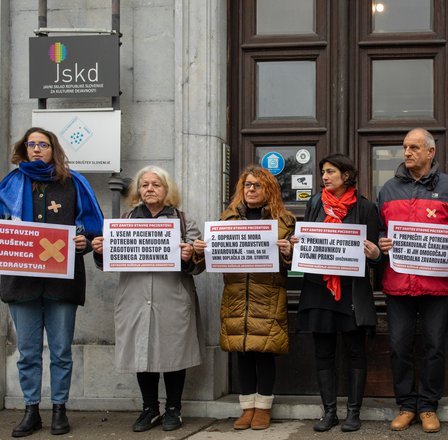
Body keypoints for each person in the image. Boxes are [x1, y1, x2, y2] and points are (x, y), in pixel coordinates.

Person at [0, 127, 104, 437]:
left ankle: (60, 409)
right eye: (31, 144)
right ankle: (31, 410)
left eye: (42, 145)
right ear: (24, 149)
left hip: (63, 282)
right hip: (21, 282)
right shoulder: (9, 186)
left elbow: (93, 229)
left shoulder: (75, 184)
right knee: (28, 352)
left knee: (61, 350)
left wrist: (85, 241)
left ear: (53, 149)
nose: (36, 149)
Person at [91, 165, 205, 432]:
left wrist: (189, 257)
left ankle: (173, 409)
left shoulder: (184, 220)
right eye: (145, 185)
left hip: (172, 297)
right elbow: (109, 261)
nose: (150, 189)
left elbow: (199, 266)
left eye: (156, 184)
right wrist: (100, 251)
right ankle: (149, 408)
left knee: (173, 352)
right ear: (138, 190)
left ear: (167, 190)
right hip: (135, 297)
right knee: (142, 351)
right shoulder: (126, 220)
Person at [377, 128, 448, 433]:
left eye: (414, 147)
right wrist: (381, 242)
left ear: (431, 152)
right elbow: (377, 232)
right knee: (399, 345)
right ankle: (405, 405)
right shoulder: (388, 189)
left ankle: (428, 406)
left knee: (434, 346)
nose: (407, 153)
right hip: (398, 283)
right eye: (404, 147)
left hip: (437, 286)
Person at [193, 165, 295, 431]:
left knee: (265, 353)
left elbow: (295, 265)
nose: (251, 189)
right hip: (237, 295)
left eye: (257, 185)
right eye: (247, 185)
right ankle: (247, 407)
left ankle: (263, 409)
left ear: (268, 189)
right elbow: (209, 260)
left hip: (268, 296)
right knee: (242, 352)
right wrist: (201, 250)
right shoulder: (226, 220)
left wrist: (288, 254)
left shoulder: (284, 221)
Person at [291, 154, 381, 433]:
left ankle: (354, 412)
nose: (325, 177)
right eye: (322, 173)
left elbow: (377, 256)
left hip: (351, 291)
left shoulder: (365, 208)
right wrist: (298, 244)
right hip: (319, 290)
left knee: (355, 352)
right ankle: (329, 412)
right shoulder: (316, 203)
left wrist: (375, 253)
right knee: (323, 352)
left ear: (346, 175)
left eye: (330, 172)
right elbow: (307, 244)